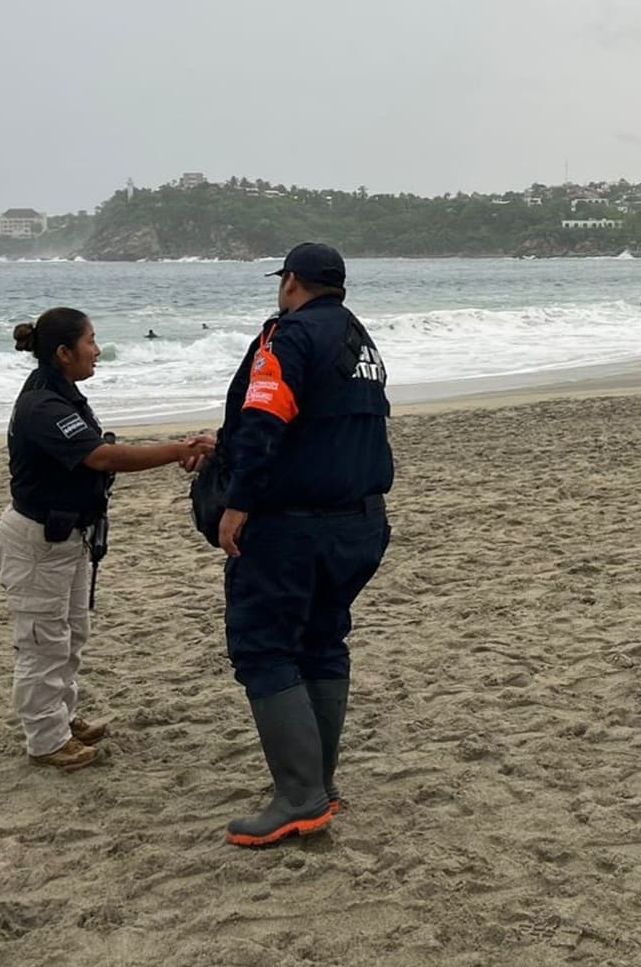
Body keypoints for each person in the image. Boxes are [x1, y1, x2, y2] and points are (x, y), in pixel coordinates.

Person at [215, 242, 393, 846]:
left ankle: (299, 796)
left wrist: (236, 501)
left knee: (264, 648)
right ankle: (319, 782)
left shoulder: (288, 335)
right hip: (360, 521)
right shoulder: (359, 340)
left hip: (294, 527)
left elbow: (264, 419)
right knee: (321, 642)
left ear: (291, 281)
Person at [0, 308, 214, 771]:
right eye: (90, 341)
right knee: (43, 643)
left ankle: (61, 718)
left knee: (71, 634)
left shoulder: (63, 393)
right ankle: (46, 740)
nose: (97, 350)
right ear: (63, 352)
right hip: (38, 541)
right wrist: (178, 450)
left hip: (69, 537)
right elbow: (102, 457)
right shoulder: (43, 406)